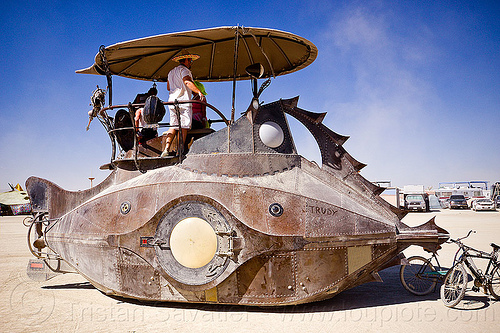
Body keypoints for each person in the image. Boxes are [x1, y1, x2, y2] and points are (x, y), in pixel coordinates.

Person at [161, 52, 205, 157]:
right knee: (183, 126)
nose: (190, 62)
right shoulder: (185, 70)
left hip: (171, 101)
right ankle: (180, 150)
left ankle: (166, 149)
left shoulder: (171, 72)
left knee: (173, 125)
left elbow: (168, 87)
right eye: (190, 60)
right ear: (185, 61)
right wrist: (199, 92)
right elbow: (187, 82)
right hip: (183, 101)